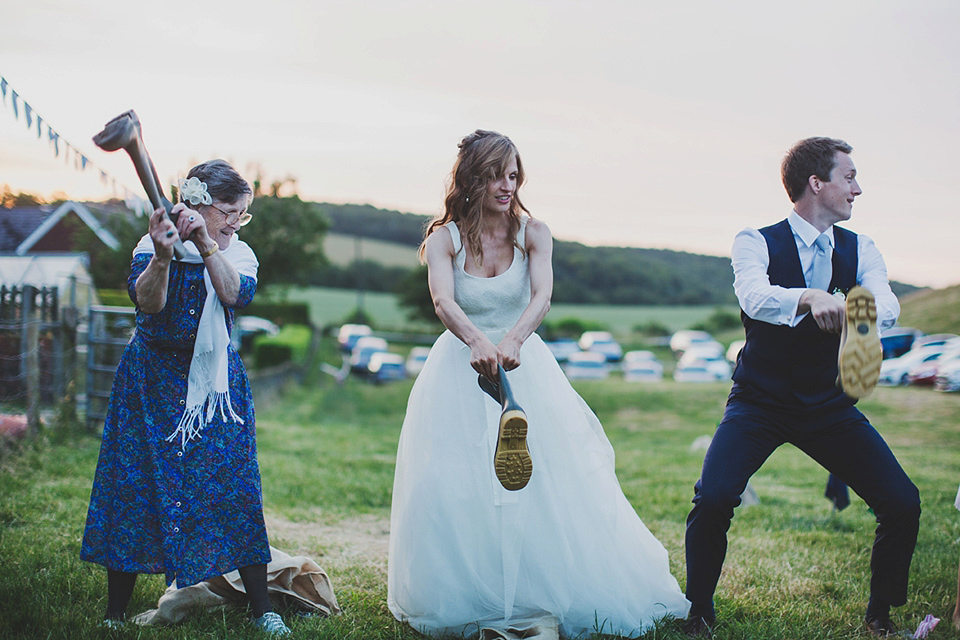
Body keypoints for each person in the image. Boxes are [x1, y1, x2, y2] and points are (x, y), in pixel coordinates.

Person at [387, 130, 690, 638]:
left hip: (525, 364)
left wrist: (514, 340)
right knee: (453, 484)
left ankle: (536, 590)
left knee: (546, 484)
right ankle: (470, 592)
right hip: (458, 371)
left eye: (512, 175)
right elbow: (444, 302)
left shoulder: (534, 233)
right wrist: (474, 341)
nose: (506, 186)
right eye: (494, 176)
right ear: (471, 178)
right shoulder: (444, 239)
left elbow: (542, 296)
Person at [682, 137, 921, 638]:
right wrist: (811, 297)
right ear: (817, 183)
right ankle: (699, 609)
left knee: (902, 501)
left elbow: (888, 304)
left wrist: (857, 310)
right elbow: (753, 296)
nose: (858, 189)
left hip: (829, 405)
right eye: (849, 177)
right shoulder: (755, 240)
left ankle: (880, 615)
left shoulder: (863, 248)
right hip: (759, 401)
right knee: (715, 497)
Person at [81, 160, 290, 635]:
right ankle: (115, 614)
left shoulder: (238, 252)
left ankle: (263, 610)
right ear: (196, 203)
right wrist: (162, 256)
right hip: (149, 381)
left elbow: (234, 296)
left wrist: (207, 243)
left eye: (243, 213)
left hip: (214, 387)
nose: (237, 221)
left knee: (234, 488)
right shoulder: (149, 245)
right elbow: (148, 304)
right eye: (229, 211)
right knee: (135, 485)